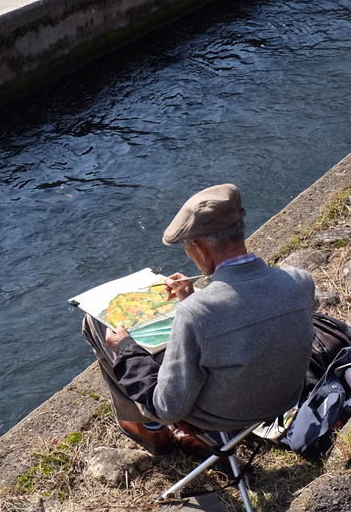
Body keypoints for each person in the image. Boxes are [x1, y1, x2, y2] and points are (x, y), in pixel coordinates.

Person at [82, 184, 315, 454]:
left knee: (96, 324)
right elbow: (253, 319)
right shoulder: (299, 280)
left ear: (200, 248)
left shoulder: (195, 313)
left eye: (186, 247)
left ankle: (151, 429)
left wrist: (124, 348)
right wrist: (193, 298)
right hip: (286, 399)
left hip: (222, 415)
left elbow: (167, 407)